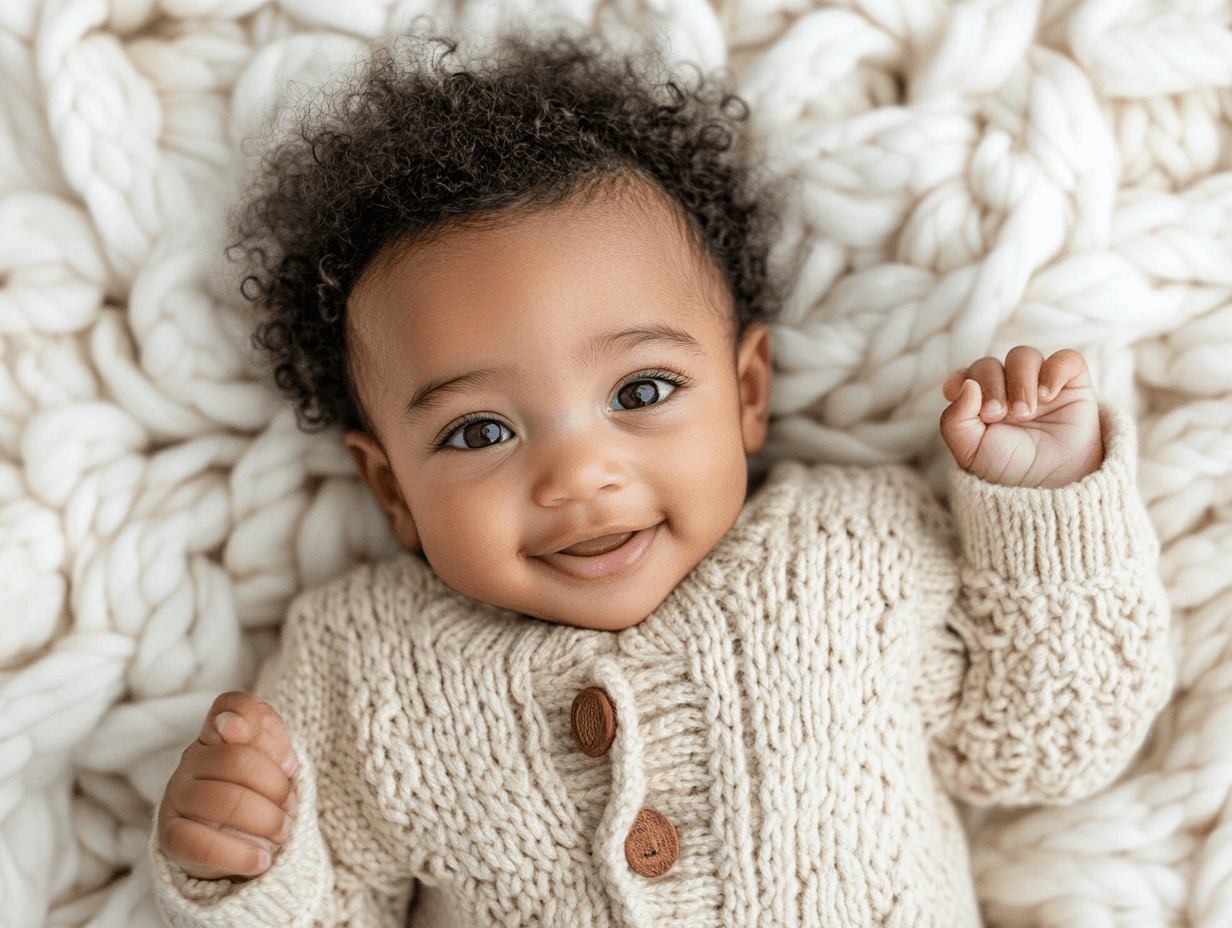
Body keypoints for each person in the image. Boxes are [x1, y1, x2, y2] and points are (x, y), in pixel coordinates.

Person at [148, 24, 1173, 928]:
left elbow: (1047, 739)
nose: (579, 474)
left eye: (639, 392)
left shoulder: (852, 552)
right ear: (388, 488)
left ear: (745, 393)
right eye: (476, 433)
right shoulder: (359, 667)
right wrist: (240, 865)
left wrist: (1045, 508)